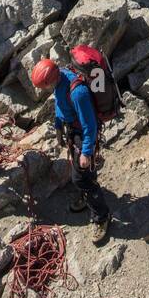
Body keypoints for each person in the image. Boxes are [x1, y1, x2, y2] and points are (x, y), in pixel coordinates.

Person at [31, 57, 111, 245]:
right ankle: (86, 197)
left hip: (83, 135)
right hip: (73, 130)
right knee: (82, 174)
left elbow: (89, 125)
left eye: (44, 86)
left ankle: (102, 216)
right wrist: (59, 124)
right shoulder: (61, 78)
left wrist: (86, 151)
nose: (45, 90)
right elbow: (60, 103)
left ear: (50, 79)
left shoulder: (78, 93)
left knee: (82, 178)